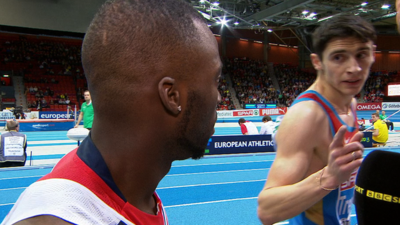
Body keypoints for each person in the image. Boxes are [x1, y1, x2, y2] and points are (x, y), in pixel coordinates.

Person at [1, 0, 221, 224]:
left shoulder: (136, 195)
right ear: (172, 97)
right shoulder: (58, 217)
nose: (219, 97)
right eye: (215, 80)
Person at [257, 14, 375, 225]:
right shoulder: (307, 116)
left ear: (373, 54)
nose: (354, 68)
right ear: (317, 62)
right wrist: (329, 177)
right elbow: (267, 209)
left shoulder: (351, 102)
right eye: (338, 57)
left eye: (361, 55)